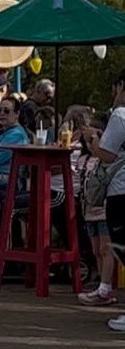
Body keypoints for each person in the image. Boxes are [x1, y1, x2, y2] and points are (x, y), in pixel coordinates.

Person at [86, 72, 125, 331]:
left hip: (121, 191)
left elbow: (108, 155)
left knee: (122, 247)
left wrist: (93, 142)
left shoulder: (120, 115)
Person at [77, 119, 117, 305]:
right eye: (87, 142)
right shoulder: (82, 160)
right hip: (88, 210)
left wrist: (95, 136)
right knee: (95, 250)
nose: (90, 145)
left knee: (105, 249)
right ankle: (101, 285)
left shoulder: (106, 160)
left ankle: (105, 285)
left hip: (103, 210)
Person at [0, 96, 30, 201]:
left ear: (17, 114)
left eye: (6, 111)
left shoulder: (16, 135)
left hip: (7, 186)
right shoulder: (6, 133)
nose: (2, 114)